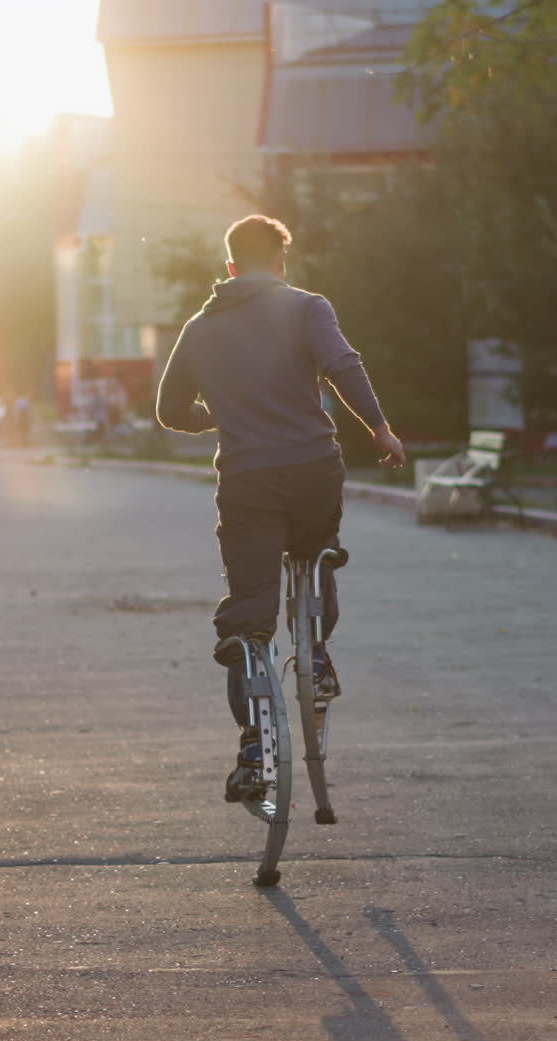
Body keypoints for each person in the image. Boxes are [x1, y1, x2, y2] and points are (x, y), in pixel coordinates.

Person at [156, 214, 405, 799]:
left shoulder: (199, 326)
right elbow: (343, 366)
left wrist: (218, 415)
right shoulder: (306, 307)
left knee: (249, 613)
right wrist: (381, 430)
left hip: (247, 482)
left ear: (231, 267)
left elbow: (169, 410)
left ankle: (251, 744)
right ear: (281, 262)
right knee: (317, 552)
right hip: (313, 471)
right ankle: (315, 655)